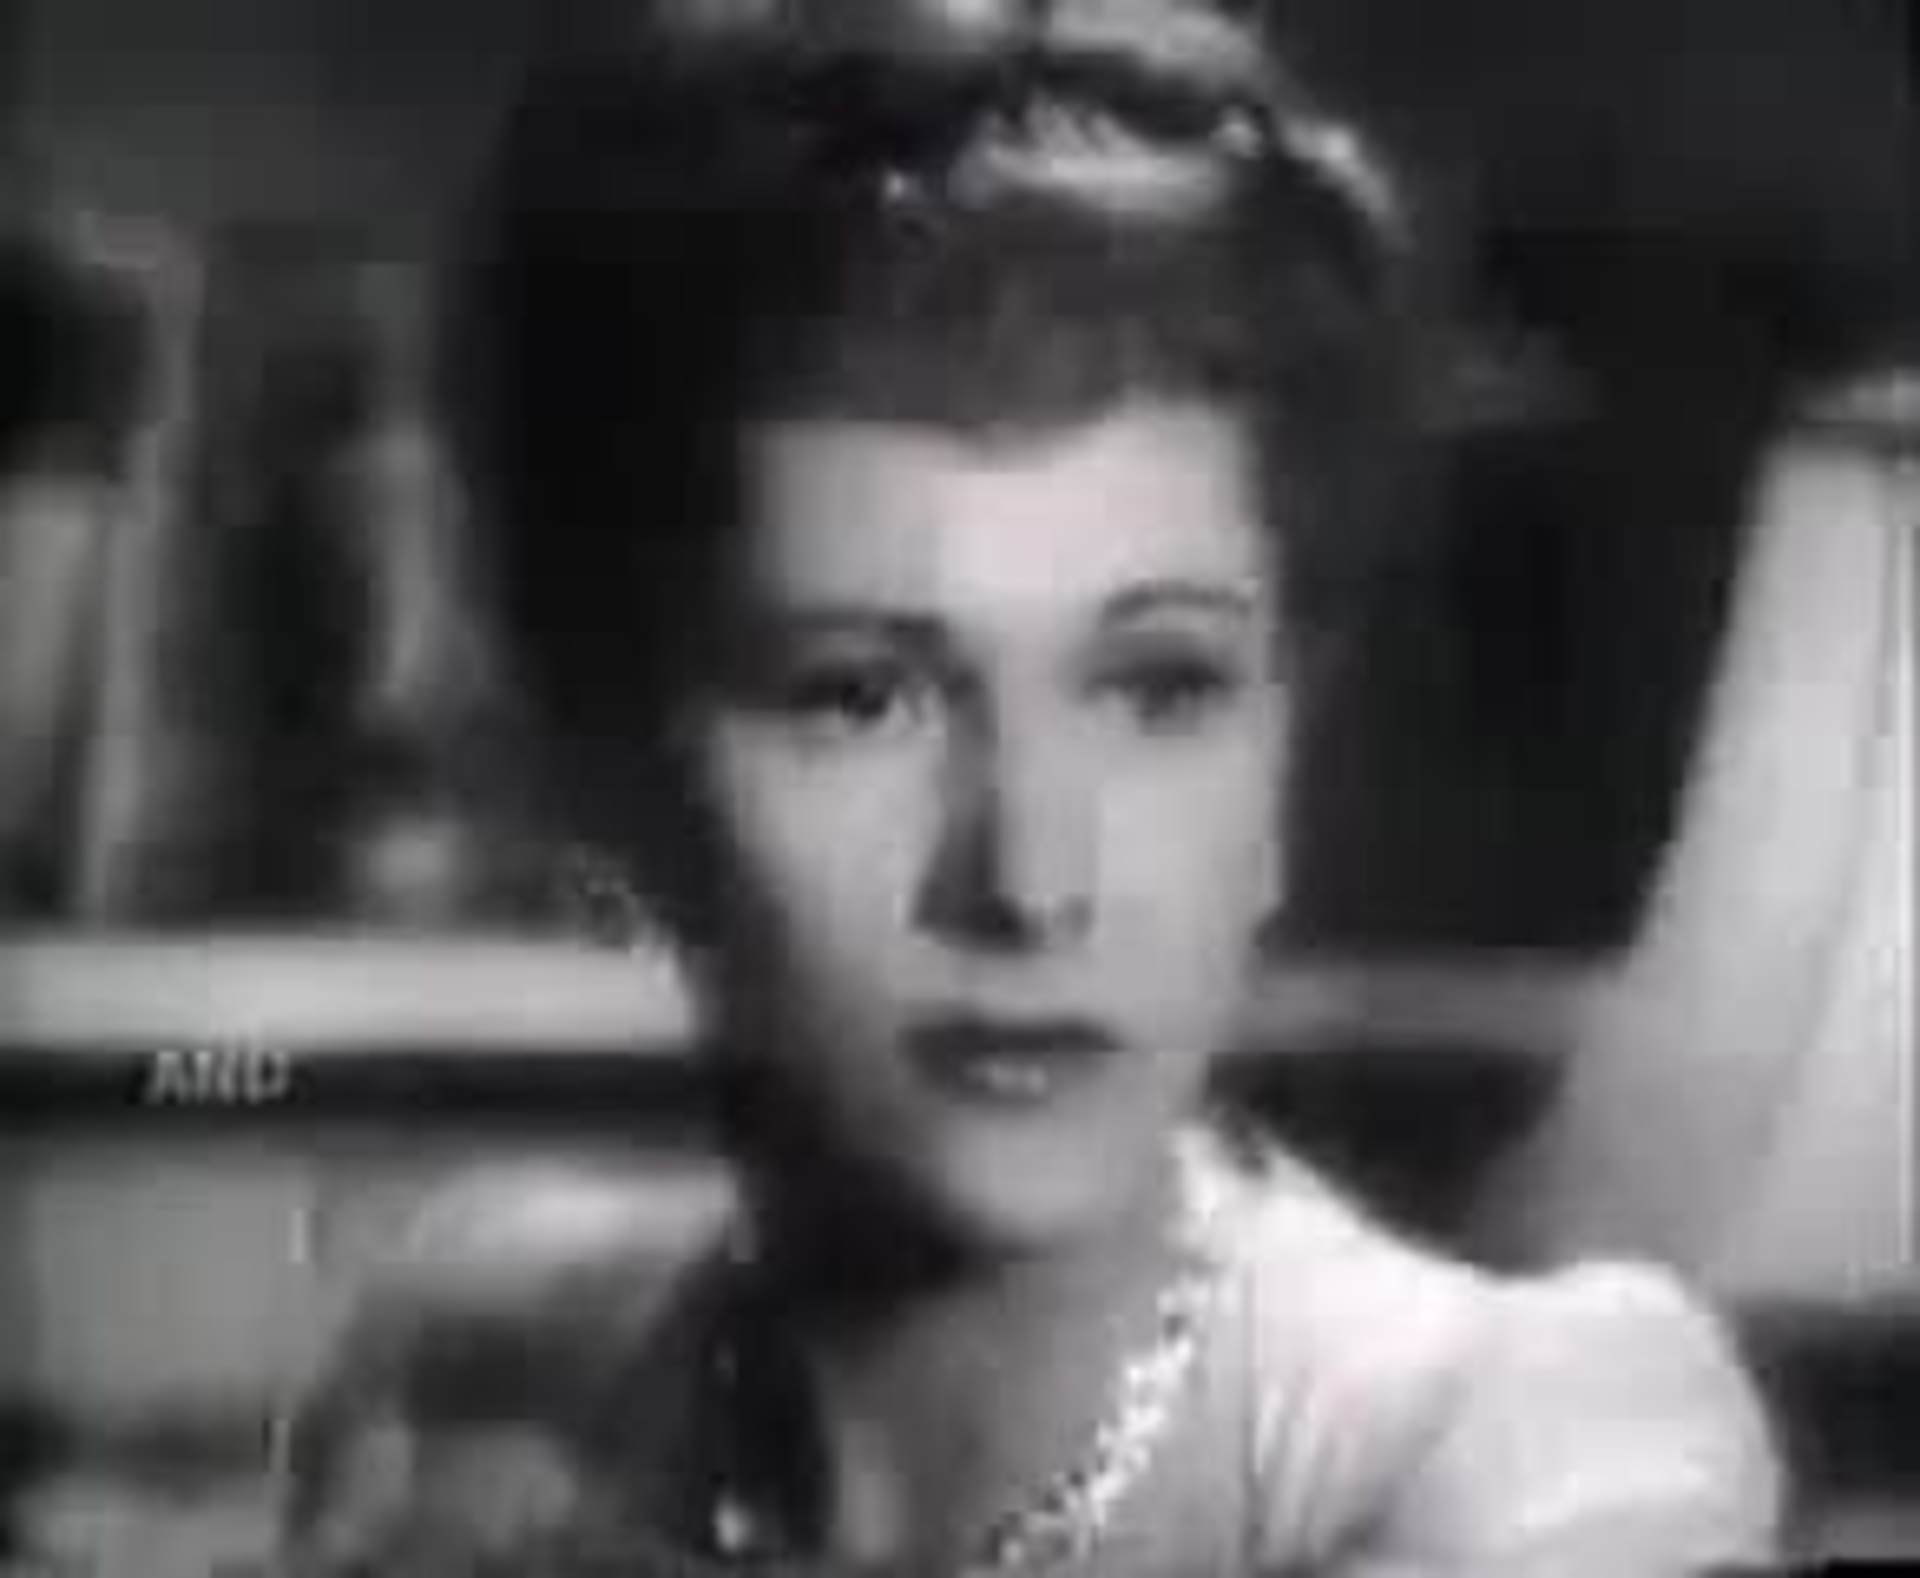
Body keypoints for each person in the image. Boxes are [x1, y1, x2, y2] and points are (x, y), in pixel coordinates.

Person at [280, 3, 1784, 1572]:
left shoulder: (1526, 1435)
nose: (1031, 877)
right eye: (859, 695)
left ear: (1284, 745)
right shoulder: (479, 1380)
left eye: (1160, 687)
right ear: (612, 764)